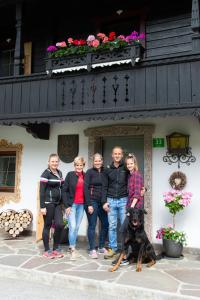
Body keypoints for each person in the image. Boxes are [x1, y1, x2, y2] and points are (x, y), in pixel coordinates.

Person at [102, 146, 128, 259]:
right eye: (115, 153)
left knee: (124, 226)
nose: (117, 155)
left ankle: (124, 249)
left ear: (122, 155)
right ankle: (112, 248)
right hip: (111, 200)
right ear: (112, 155)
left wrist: (142, 189)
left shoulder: (126, 168)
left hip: (123, 200)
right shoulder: (107, 169)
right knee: (112, 226)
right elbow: (104, 186)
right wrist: (104, 202)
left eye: (119, 154)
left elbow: (133, 181)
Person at [40, 153, 64, 259]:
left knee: (59, 225)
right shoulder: (46, 174)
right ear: (48, 162)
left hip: (58, 204)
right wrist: (42, 206)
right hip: (48, 204)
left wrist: (64, 204)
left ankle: (55, 248)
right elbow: (42, 191)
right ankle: (46, 250)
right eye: (52, 161)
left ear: (58, 162)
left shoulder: (59, 172)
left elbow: (62, 188)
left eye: (56, 161)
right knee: (47, 225)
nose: (54, 163)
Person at [84, 153, 109, 259]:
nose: (97, 162)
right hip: (92, 202)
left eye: (99, 161)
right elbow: (85, 189)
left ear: (102, 161)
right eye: (96, 161)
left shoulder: (105, 172)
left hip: (102, 203)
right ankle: (92, 249)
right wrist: (89, 204)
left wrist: (105, 202)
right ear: (93, 161)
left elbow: (106, 187)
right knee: (92, 225)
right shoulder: (89, 172)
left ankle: (101, 246)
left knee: (106, 224)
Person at [62, 156, 85, 260]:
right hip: (72, 205)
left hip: (82, 205)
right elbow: (64, 190)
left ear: (83, 165)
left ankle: (72, 246)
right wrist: (66, 206)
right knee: (73, 226)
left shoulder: (85, 176)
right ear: (74, 165)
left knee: (76, 227)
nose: (79, 167)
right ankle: (72, 248)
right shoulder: (70, 175)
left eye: (81, 165)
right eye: (77, 165)